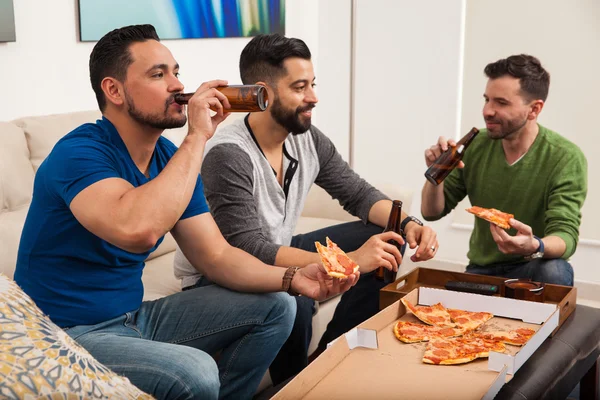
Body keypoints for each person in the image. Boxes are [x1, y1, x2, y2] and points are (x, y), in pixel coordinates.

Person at [14, 25, 358, 400]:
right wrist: (197, 136)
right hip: (63, 332)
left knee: (278, 305)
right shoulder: (79, 153)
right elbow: (137, 229)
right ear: (113, 90)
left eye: (176, 72)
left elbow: (217, 255)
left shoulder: (167, 159)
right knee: (195, 371)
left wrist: (293, 277)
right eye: (158, 75)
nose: (178, 85)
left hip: (134, 318)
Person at [173, 33, 438, 384]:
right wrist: (348, 261)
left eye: (312, 84)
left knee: (385, 235)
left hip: (276, 247)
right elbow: (247, 248)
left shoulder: (307, 139)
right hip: (221, 272)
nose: (313, 97)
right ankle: (296, 383)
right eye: (300, 87)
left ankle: (330, 357)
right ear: (262, 93)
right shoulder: (228, 154)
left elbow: (357, 193)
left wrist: (409, 224)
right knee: (294, 297)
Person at [421, 54, 587, 286]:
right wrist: (435, 174)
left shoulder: (565, 157)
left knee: (556, 272)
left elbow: (565, 236)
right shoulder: (474, 145)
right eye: (487, 99)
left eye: (501, 102)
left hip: (533, 263)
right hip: (482, 267)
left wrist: (535, 245)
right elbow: (432, 212)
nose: (487, 111)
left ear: (534, 109)